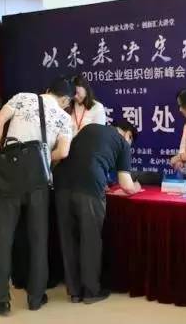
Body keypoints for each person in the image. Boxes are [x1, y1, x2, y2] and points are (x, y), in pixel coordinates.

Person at [0, 77, 74, 316]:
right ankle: (36, 297)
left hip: (10, 176)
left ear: (46, 90)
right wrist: (42, 159)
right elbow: (63, 151)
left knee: (3, 238)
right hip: (39, 181)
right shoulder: (64, 117)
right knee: (38, 238)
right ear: (65, 100)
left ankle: (0, 300)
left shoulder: (22, 98)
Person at [54, 121, 141, 305]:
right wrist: (136, 187)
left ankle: (74, 291)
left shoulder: (89, 128)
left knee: (68, 239)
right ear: (128, 135)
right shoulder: (123, 143)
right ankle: (91, 291)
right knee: (90, 239)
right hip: (89, 187)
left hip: (61, 184)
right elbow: (126, 184)